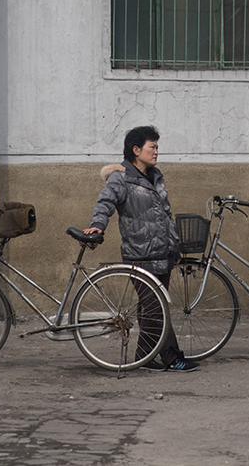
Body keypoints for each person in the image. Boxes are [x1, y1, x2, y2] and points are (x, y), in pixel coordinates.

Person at [83, 125, 198, 373]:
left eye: (157, 146)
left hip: (163, 255)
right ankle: (170, 357)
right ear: (136, 150)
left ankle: (144, 358)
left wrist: (175, 248)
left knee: (154, 311)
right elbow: (105, 202)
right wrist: (97, 226)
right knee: (157, 310)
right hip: (141, 256)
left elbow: (166, 215)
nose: (156, 151)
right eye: (152, 147)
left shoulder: (156, 176)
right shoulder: (121, 177)